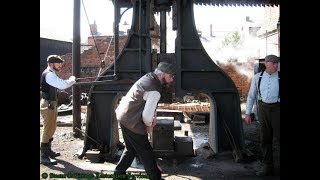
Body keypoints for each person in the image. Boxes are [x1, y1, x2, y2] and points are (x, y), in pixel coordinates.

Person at [114, 62, 175, 180]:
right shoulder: (155, 90)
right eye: (170, 76)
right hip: (131, 121)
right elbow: (147, 115)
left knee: (131, 148)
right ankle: (156, 177)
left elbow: (148, 104)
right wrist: (149, 125)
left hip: (123, 116)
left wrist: (153, 117)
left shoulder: (148, 77)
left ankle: (119, 173)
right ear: (162, 75)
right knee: (146, 152)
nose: (171, 80)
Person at [244, 54, 280, 176]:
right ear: (266, 64)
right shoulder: (257, 78)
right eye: (273, 63)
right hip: (263, 110)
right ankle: (268, 167)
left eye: (277, 63)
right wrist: (248, 113)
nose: (276, 65)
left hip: (278, 110)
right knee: (265, 139)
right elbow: (251, 96)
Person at [40, 55, 76, 165]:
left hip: (52, 103)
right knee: (47, 129)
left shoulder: (52, 73)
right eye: (58, 63)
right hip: (48, 104)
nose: (60, 65)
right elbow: (62, 85)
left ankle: (48, 151)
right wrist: (72, 80)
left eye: (60, 63)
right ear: (51, 64)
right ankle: (44, 156)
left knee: (52, 128)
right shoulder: (49, 75)